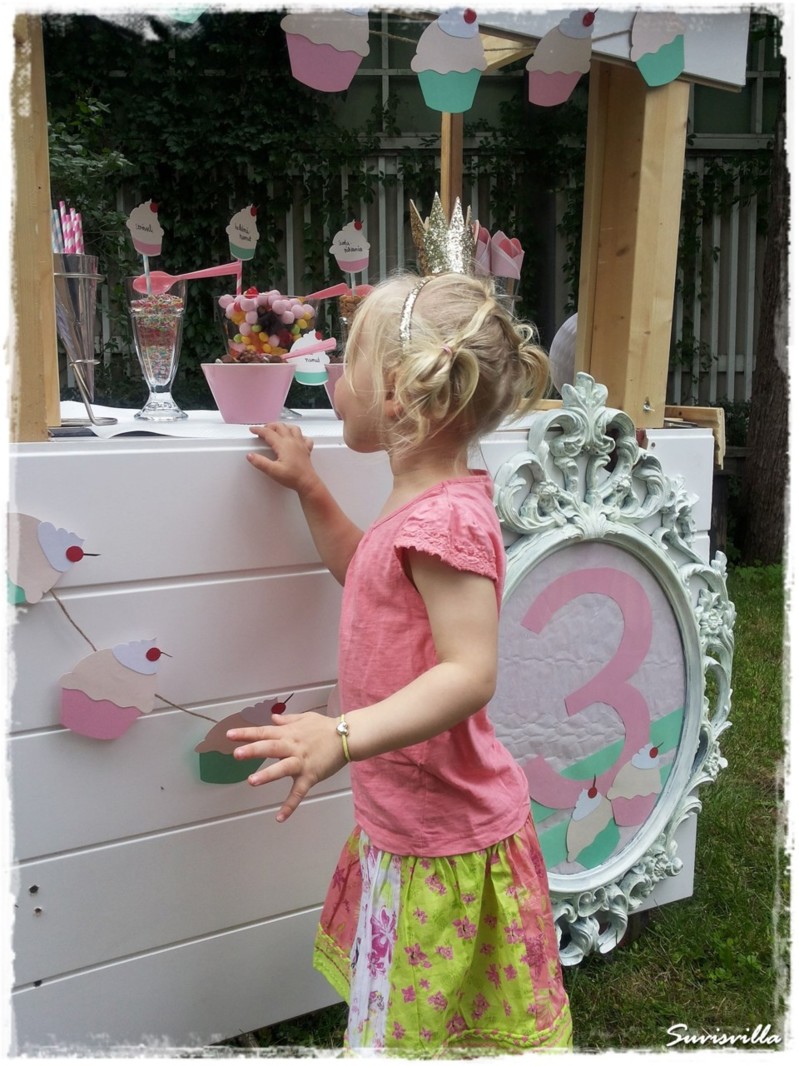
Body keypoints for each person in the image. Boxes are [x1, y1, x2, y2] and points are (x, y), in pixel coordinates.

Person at [227, 271, 573, 1052]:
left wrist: (340, 734)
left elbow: (469, 671)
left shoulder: (446, 521)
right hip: (410, 817)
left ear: (394, 393)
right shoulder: (423, 505)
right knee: (409, 1019)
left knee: (427, 1033)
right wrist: (311, 489)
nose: (333, 382)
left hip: (444, 833)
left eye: (346, 366)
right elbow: (370, 573)